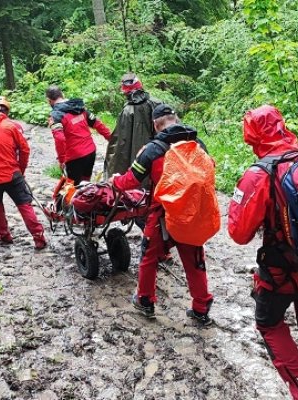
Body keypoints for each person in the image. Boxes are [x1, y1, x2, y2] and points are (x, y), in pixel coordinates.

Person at [228, 105, 298, 400]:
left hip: (282, 272)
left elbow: (238, 234)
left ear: (251, 136)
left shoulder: (260, 172)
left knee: (269, 324)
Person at [111, 104, 214, 325]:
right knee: (195, 259)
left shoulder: (153, 149)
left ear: (156, 125)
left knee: (148, 256)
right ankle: (201, 307)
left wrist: (115, 181)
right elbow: (209, 170)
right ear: (176, 119)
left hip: (163, 213)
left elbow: (131, 180)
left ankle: (145, 300)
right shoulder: (197, 144)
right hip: (190, 212)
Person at [0, 96, 47, 250]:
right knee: (24, 205)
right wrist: (21, 171)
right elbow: (24, 150)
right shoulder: (11, 126)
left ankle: (3, 235)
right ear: (6, 111)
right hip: (11, 173)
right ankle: (38, 237)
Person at [46, 85, 112, 184]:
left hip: (74, 158)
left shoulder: (55, 115)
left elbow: (59, 139)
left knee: (73, 188)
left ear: (49, 100)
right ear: (62, 95)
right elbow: (98, 124)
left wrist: (62, 160)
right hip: (90, 152)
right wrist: (111, 139)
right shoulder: (79, 107)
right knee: (86, 184)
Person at [104, 73, 161, 178]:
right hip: (158, 156)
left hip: (137, 166)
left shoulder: (127, 111)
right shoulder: (158, 104)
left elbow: (119, 144)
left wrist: (110, 169)